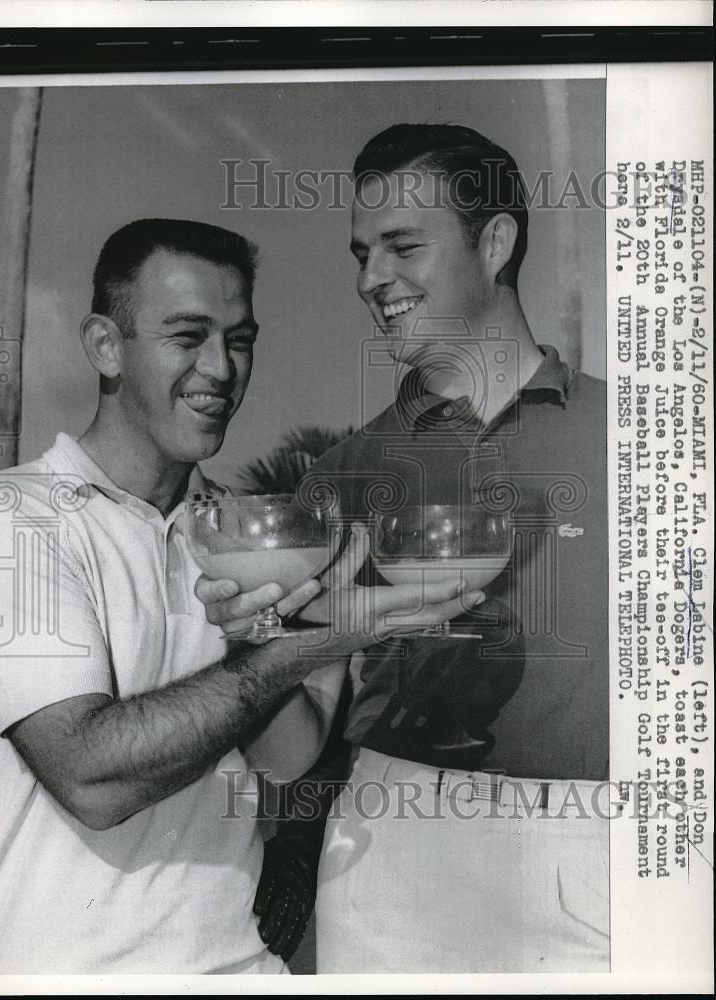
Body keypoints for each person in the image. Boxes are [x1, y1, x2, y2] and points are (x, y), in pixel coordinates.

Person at [0, 217, 480, 974]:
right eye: (188, 336)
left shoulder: (244, 532)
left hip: (241, 967)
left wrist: (272, 640)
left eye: (240, 338)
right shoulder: (13, 517)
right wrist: (315, 643)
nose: (220, 368)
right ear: (105, 346)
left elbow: (286, 758)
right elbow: (90, 776)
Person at [302, 124, 610, 972]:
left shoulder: (646, 438)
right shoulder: (341, 473)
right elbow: (286, 749)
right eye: (363, 253)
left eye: (403, 245)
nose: (372, 279)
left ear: (497, 243)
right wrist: (290, 642)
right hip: (388, 847)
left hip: (602, 851)